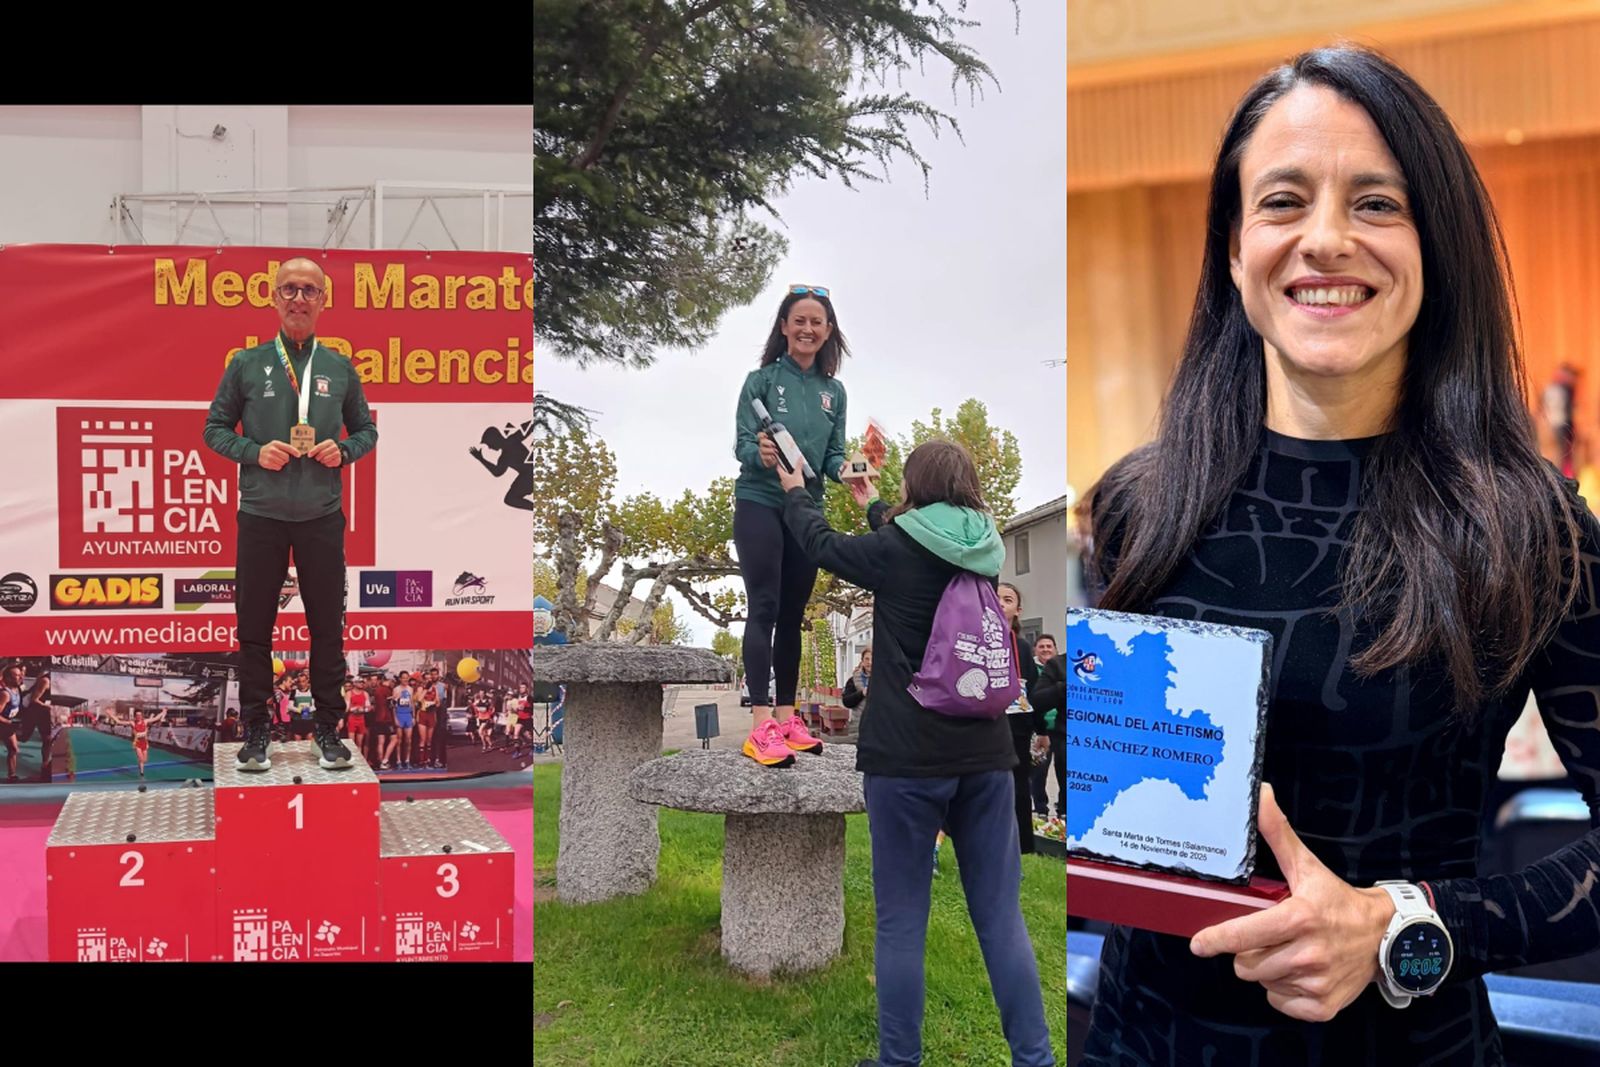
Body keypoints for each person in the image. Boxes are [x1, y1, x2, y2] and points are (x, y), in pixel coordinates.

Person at [1079, 45, 1600, 1065]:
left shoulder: (1527, 525)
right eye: (1282, 201)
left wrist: (1406, 919)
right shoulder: (1139, 501)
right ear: (1233, 249)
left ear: (1434, 245)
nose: (1323, 240)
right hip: (1136, 1040)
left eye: (1375, 203)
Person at [775, 439, 1054, 1067]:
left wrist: (796, 491)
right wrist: (872, 502)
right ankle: (1035, 1059)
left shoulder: (894, 549)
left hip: (905, 757)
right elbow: (921, 541)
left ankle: (899, 1060)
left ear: (915, 486)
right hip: (985, 757)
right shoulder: (987, 547)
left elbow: (824, 546)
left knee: (902, 922)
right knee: (1002, 920)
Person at [203, 255, 378, 772]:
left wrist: (342, 451)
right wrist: (254, 452)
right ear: (273, 298)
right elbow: (214, 429)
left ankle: (329, 732)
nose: (298, 298)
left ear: (324, 300)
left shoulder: (340, 367)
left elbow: (367, 431)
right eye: (289, 289)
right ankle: (257, 732)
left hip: (322, 515)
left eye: (309, 290)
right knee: (254, 629)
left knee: (328, 628)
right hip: (260, 514)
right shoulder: (247, 363)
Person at [732, 284, 847, 766]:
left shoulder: (833, 392)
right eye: (798, 320)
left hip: (806, 508)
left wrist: (852, 470)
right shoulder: (759, 381)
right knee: (765, 604)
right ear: (784, 327)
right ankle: (761, 725)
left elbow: (835, 455)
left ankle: (787, 717)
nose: (807, 328)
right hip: (760, 501)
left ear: (827, 332)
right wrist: (757, 453)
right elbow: (740, 444)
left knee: (794, 614)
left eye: (816, 321)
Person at [996, 584, 1044, 856]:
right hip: (985, 726)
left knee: (1018, 788)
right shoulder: (975, 640)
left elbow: (1034, 691)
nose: (1001, 603)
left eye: (1008, 599)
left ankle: (1018, 847)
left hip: (1017, 728)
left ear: (1018, 610)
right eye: (996, 597)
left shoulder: (1023, 647)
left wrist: (1041, 730)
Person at [1028, 646, 1065, 822]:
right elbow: (1036, 700)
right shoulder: (1058, 665)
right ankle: (1044, 808)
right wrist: (1062, 688)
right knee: (1040, 772)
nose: (1045, 649)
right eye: (1041, 646)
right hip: (1056, 733)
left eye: (1049, 646)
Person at [105, 707, 167, 779]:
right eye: (137, 715)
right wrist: (110, 714)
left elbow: (156, 718)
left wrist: (163, 712)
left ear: (142, 716)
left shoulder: (145, 721)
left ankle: (141, 769)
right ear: (135, 716)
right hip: (137, 743)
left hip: (145, 743)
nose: (139, 717)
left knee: (145, 760)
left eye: (140, 715)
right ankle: (141, 773)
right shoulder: (133, 723)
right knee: (141, 759)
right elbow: (119, 722)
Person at [393, 671, 416, 770]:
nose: (405, 680)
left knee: (408, 740)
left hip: (408, 715)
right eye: (403, 678)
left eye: (407, 678)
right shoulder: (396, 689)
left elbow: (412, 703)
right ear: (400, 679)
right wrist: (395, 718)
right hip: (399, 714)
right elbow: (393, 705)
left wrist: (414, 716)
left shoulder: (411, 689)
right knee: (399, 740)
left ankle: (407, 760)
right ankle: (398, 761)